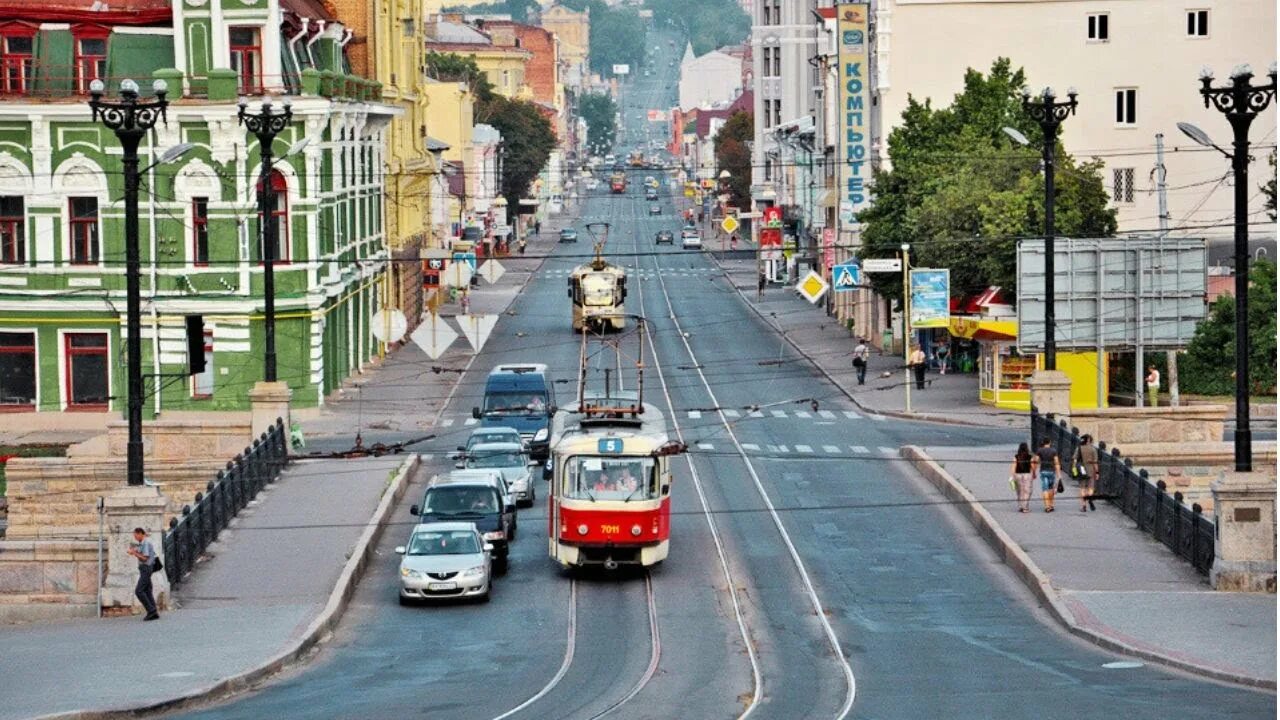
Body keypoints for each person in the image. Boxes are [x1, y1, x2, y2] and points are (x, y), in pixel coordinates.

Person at [126, 528, 160, 621]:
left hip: (146, 569)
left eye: (136, 535)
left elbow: (145, 558)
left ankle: (151, 610)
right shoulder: (142, 543)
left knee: (139, 591)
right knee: (148, 590)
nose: (135, 537)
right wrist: (134, 551)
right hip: (145, 569)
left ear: (141, 533)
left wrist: (134, 553)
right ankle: (154, 612)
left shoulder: (145, 543)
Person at [1031, 438, 1061, 512]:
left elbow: (1036, 462)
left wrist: (1034, 471)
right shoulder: (1053, 451)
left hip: (1043, 471)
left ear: (1043, 442)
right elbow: (1057, 463)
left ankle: (1047, 506)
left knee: (1045, 489)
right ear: (1050, 442)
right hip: (1052, 471)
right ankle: (1051, 505)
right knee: (1051, 488)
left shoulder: (1039, 450)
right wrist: (1059, 474)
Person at [1076, 434, 1099, 512]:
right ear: (1090, 440)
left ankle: (1084, 506)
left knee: (1082, 488)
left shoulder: (1079, 448)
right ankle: (1090, 499)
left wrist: (1074, 468)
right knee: (1091, 487)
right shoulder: (1093, 449)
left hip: (1082, 470)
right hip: (1091, 470)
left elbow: (1075, 459)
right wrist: (1097, 472)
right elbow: (1095, 462)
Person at [1009, 442, 1034, 513]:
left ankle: (1020, 506)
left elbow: (1013, 467)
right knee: (1027, 491)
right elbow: (1032, 466)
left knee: (1019, 491)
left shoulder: (1016, 456)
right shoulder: (1030, 457)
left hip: (1018, 475)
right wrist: (1034, 473)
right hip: (1027, 475)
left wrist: (1011, 476)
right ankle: (1025, 507)